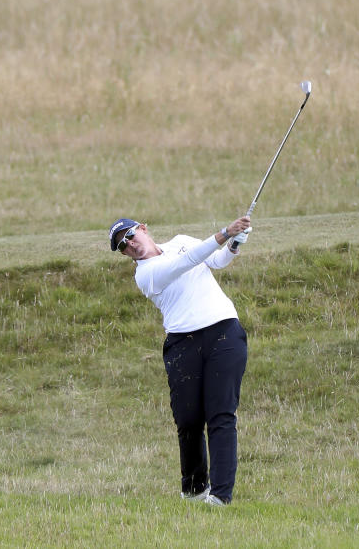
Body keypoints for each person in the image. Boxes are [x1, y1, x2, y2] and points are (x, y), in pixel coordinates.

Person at [109, 215, 252, 506]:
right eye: (123, 246)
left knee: (221, 415)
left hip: (224, 330)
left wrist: (234, 243)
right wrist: (226, 232)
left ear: (144, 229)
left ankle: (220, 496)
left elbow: (217, 260)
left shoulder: (182, 242)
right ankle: (194, 488)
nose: (130, 245)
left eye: (131, 236)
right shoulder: (145, 275)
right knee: (188, 420)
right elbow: (184, 264)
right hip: (182, 343)